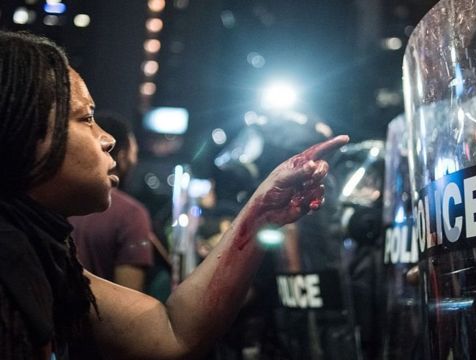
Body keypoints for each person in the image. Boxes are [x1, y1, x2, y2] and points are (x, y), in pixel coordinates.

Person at [0, 31, 349, 359]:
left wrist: (262, 212)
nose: (107, 138)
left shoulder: (43, 258)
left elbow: (172, 334)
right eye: (86, 118)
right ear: (23, 129)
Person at [68, 113, 155, 292]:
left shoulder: (61, 200)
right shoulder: (131, 214)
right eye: (134, 153)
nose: (135, 161)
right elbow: (130, 297)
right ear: (122, 156)